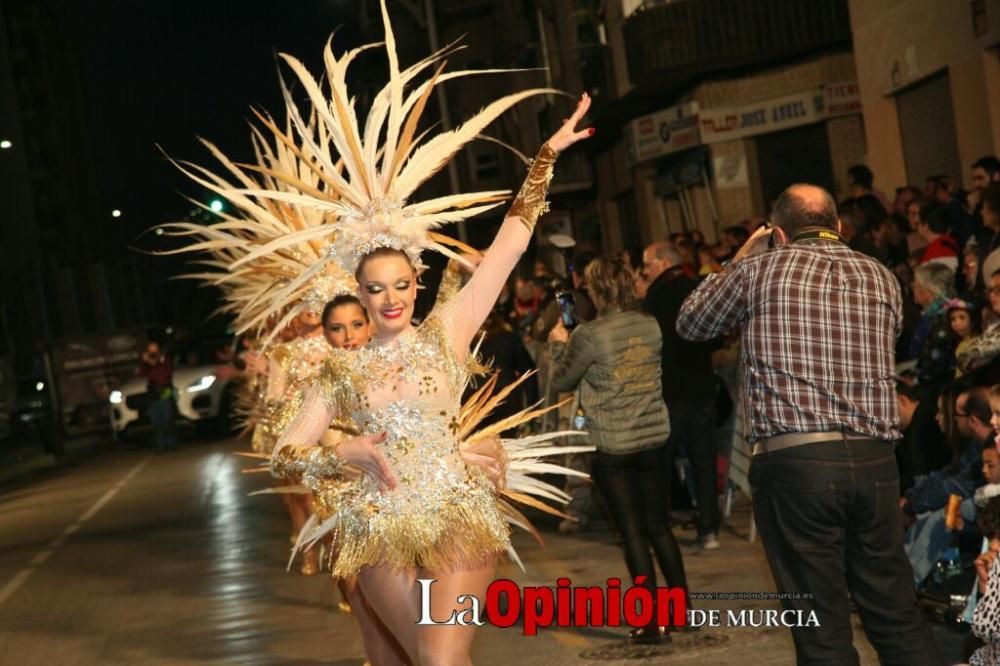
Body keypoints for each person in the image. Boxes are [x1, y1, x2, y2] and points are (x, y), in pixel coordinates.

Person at [676, 183, 943, 664]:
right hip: (876, 461)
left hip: (796, 463)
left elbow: (692, 323)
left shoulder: (759, 269)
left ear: (777, 233)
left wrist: (740, 257)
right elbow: (892, 335)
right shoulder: (881, 276)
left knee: (821, 628)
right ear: (837, 226)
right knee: (896, 615)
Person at [548, 255, 688, 644]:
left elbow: (563, 381)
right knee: (659, 527)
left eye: (590, 288)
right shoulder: (649, 324)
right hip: (654, 438)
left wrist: (558, 346)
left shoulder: (589, 335)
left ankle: (649, 624)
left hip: (613, 445)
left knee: (631, 534)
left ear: (599, 291)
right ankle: (682, 612)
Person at [642, 241, 720, 549]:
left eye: (647, 265)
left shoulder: (656, 295)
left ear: (662, 262)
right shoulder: (697, 287)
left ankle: (661, 529)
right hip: (701, 387)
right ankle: (709, 528)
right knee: (704, 462)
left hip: (670, 392)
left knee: (663, 461)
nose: (645, 271)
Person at [139, 341, 177, 452]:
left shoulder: (165, 361)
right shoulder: (147, 364)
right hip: (152, 393)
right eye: (150, 352)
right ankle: (160, 446)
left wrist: (156, 362)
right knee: (156, 421)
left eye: (154, 352)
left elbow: (165, 373)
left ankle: (171, 444)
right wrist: (145, 362)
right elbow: (142, 374)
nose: (152, 355)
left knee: (168, 419)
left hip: (165, 390)